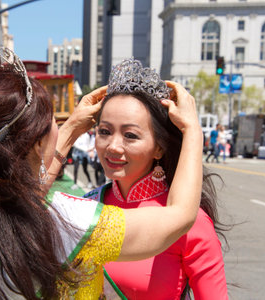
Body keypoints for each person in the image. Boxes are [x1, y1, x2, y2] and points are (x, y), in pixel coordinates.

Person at [0, 47, 204, 299]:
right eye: (53, 118)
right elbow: (179, 216)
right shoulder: (72, 222)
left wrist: (70, 130)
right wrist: (192, 130)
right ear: (39, 142)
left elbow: (23, 199)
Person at [84, 58, 228, 299]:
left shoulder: (188, 220)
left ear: (159, 148)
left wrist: (193, 130)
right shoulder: (87, 206)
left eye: (130, 135)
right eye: (104, 132)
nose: (113, 146)